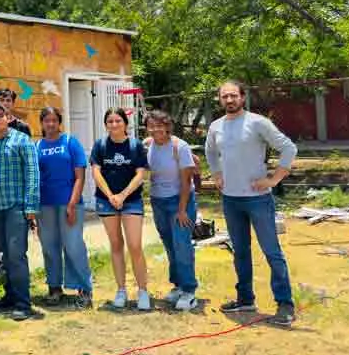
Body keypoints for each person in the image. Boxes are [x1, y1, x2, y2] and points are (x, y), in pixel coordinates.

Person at [205, 80, 297, 326]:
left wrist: (274, 180)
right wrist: (215, 174)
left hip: (258, 200)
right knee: (240, 251)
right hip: (231, 200)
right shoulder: (216, 127)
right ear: (219, 99)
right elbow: (210, 152)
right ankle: (245, 299)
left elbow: (288, 148)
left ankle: (285, 304)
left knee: (271, 252)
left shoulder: (257, 123)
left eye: (233, 95)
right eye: (225, 96)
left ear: (242, 97)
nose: (229, 100)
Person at [0, 103, 40, 321]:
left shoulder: (22, 141)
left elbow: (33, 174)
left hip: (16, 208)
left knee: (16, 254)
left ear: (8, 117)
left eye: (0, 116)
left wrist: (31, 206)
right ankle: (10, 296)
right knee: (4, 256)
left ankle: (23, 303)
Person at [90, 107, 150, 311]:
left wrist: (123, 195)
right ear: (106, 125)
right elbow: (96, 173)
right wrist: (111, 196)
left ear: (125, 123)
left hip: (131, 200)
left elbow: (140, 174)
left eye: (118, 121)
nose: (114, 125)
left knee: (134, 245)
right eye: (110, 122)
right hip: (107, 201)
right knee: (116, 245)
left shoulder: (135, 146)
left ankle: (142, 291)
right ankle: (121, 290)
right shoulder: (100, 145)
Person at [36, 107, 92, 309]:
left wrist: (72, 203)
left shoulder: (70, 142)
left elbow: (80, 177)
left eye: (54, 120)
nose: (50, 124)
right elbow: (35, 179)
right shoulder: (38, 146)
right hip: (45, 205)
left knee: (73, 246)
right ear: (41, 123)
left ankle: (84, 288)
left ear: (59, 122)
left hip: (69, 204)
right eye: (46, 120)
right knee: (49, 247)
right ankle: (54, 287)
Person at [145, 110, 199, 311]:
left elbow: (187, 181)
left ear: (168, 126)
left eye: (159, 125)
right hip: (158, 201)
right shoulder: (148, 145)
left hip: (180, 201)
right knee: (169, 244)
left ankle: (189, 290)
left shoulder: (180, 146)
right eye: (151, 125)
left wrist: (183, 209)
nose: (155, 129)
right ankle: (177, 285)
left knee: (182, 244)